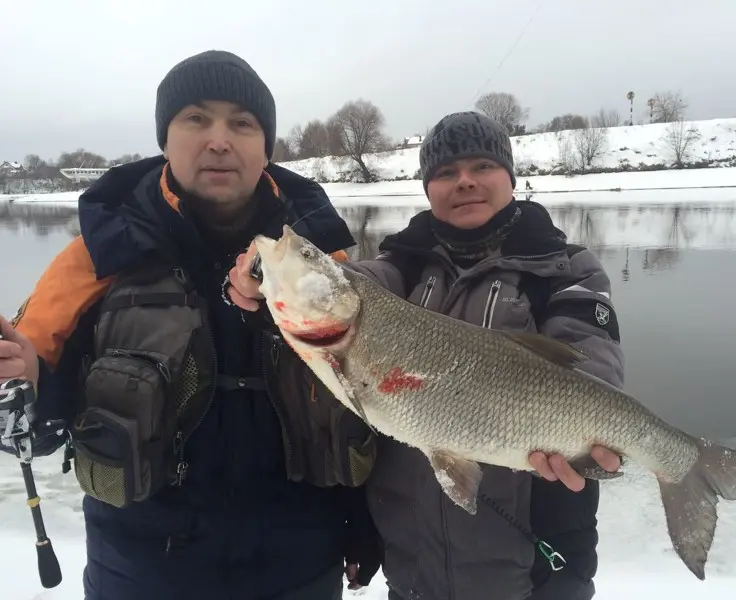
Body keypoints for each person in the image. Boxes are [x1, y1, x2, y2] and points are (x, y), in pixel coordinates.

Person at [0, 50, 382, 600]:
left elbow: (370, 401)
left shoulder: (322, 262)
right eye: (196, 119)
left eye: (242, 123)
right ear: (164, 139)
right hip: (140, 572)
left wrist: (364, 522)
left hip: (300, 567)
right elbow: (33, 424)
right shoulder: (95, 258)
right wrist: (29, 386)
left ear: (266, 146)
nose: (219, 140)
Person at [226, 111, 625, 600]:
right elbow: (343, 293)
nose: (465, 182)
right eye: (445, 173)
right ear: (428, 187)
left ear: (511, 176)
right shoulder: (400, 266)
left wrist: (590, 432)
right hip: (414, 571)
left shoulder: (566, 267)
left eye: (482, 166)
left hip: (535, 568)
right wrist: (256, 281)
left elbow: (593, 359)